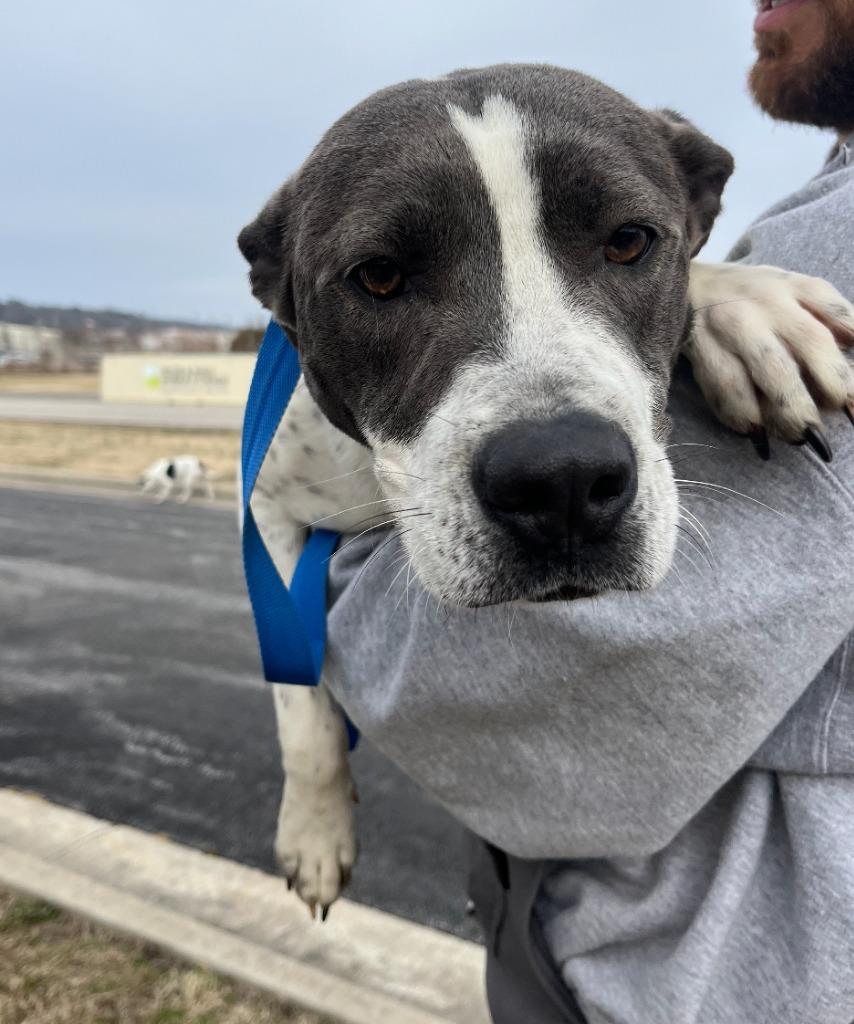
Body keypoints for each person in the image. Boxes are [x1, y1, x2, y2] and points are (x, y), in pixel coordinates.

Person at [323, 2, 854, 1021]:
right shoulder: (799, 220)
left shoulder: (836, 258)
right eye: (384, 276)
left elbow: (480, 719)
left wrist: (337, 587)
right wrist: (687, 280)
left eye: (626, 241)